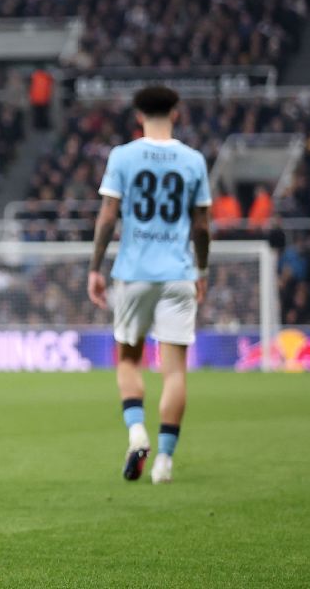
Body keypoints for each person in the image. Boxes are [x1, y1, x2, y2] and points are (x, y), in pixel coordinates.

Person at [87, 85, 212, 485]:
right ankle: (165, 463)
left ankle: (137, 432)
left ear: (138, 115)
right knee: (174, 372)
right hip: (178, 274)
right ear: (176, 112)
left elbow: (108, 216)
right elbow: (203, 226)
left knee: (127, 359)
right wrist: (202, 271)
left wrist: (95, 268)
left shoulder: (123, 156)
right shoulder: (193, 160)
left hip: (134, 273)